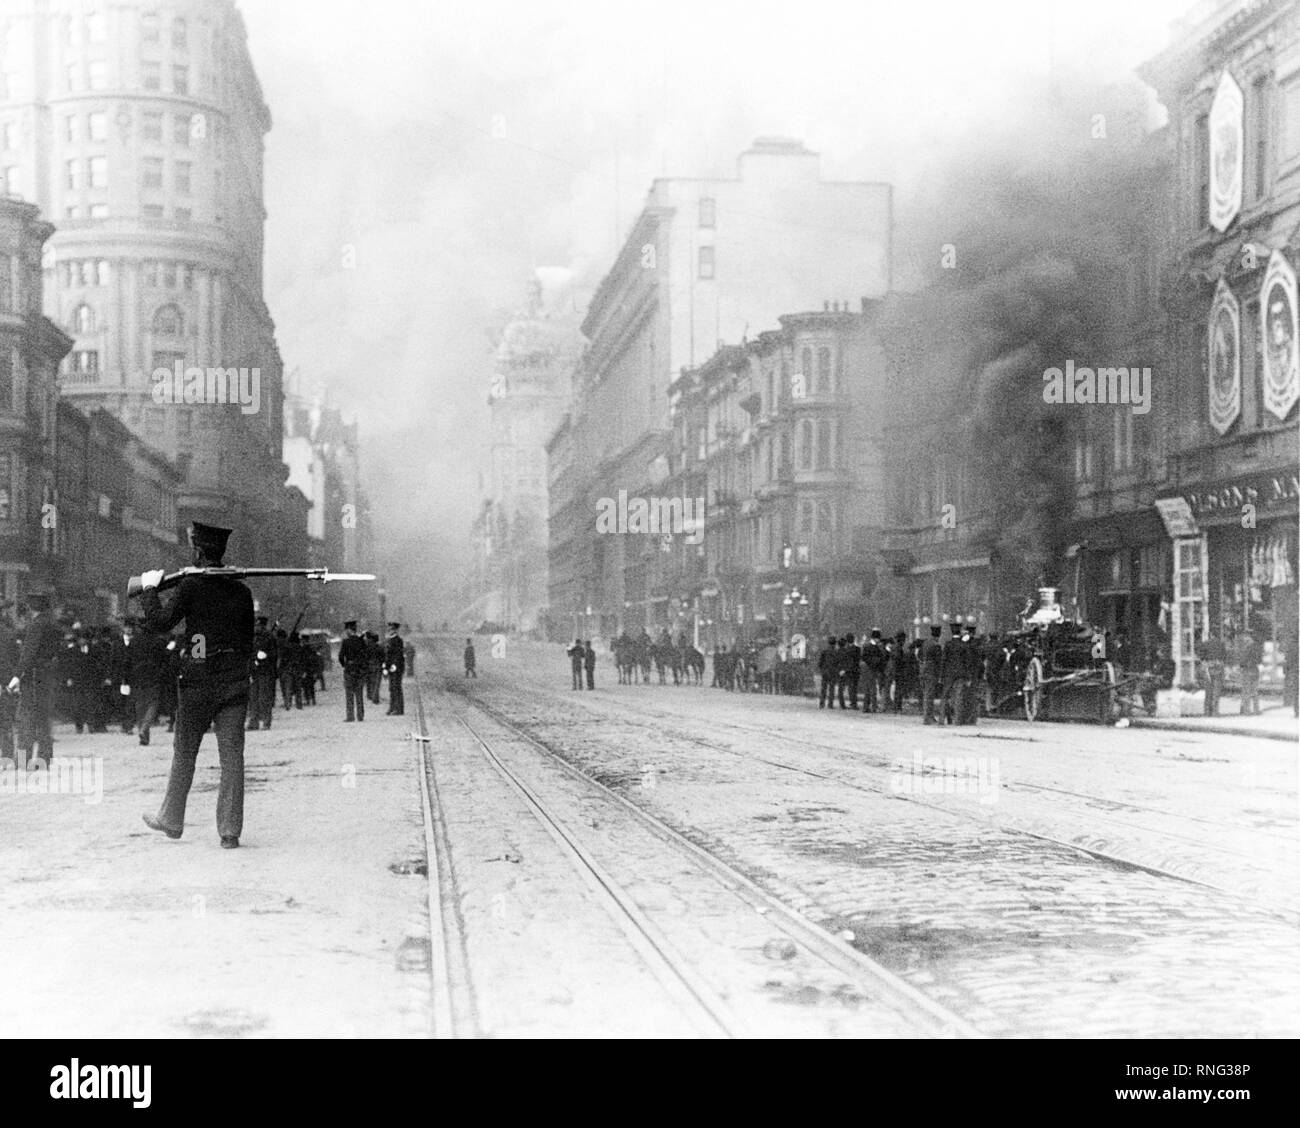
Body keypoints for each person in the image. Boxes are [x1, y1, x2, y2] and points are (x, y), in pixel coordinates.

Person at [138, 521, 253, 849]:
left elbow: (161, 623)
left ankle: (172, 820)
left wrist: (149, 590)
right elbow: (246, 642)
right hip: (233, 683)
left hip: (198, 684)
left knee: (185, 752)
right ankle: (229, 832)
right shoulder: (242, 592)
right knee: (233, 757)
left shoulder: (190, 586)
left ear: (199, 552)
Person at [15, 593, 59, 767]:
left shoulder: (36, 625)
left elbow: (28, 654)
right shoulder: (52, 624)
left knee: (26, 718)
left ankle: (22, 759)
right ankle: (45, 758)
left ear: (31, 607)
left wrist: (17, 675)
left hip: (32, 677)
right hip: (46, 676)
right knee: (43, 718)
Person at [129, 620, 168, 746]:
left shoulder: (134, 641)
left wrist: (127, 677)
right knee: (153, 704)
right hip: (154, 676)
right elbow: (165, 659)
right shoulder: (159, 641)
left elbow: (128, 660)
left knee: (140, 706)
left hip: (137, 676)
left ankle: (144, 736)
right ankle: (145, 728)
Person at [248, 615, 278, 730]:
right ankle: (253, 721)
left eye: (259, 625)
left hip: (265, 671)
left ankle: (266, 721)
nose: (257, 627)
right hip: (254, 671)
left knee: (264, 698)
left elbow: (274, 654)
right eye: (256, 625)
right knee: (253, 698)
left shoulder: (270, 638)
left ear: (263, 626)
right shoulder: (253, 638)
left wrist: (265, 655)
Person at [0, 604, 19, 762]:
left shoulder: (8, 635)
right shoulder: (9, 635)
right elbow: (14, 661)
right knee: (5, 721)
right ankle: (6, 755)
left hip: (4, 684)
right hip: (5, 685)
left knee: (5, 720)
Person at [339, 621, 368, 722]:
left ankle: (350, 716)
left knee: (349, 694)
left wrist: (345, 665)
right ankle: (360, 715)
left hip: (349, 670)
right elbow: (366, 656)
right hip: (359, 670)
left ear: (348, 630)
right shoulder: (361, 641)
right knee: (359, 694)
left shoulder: (346, 642)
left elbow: (341, 657)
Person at [919, 625, 943, 725]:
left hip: (924, 670)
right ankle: (928, 717)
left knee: (926, 694)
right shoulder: (936, 645)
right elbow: (939, 660)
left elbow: (919, 655)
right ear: (939, 635)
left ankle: (927, 716)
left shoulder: (925, 643)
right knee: (930, 695)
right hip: (932, 672)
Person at [1199, 630, 1227, 717]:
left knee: (1208, 690)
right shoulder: (1221, 644)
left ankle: (1207, 712)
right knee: (1216, 690)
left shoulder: (1205, 643)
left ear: (1210, 634)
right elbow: (1225, 656)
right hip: (1219, 666)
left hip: (1209, 667)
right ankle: (1215, 712)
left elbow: (1202, 656)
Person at [1236, 629, 1263, 716]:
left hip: (1247, 670)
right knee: (1255, 691)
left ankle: (1246, 711)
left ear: (1248, 637)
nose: (1244, 638)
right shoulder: (1258, 646)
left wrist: (1240, 665)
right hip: (1255, 670)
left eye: (1245, 636)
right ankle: (1256, 710)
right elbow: (1260, 659)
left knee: (1246, 691)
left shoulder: (1247, 647)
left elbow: (1243, 659)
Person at [861, 629, 885, 713]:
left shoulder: (866, 645)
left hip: (868, 669)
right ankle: (874, 707)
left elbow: (864, 657)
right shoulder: (872, 646)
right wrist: (875, 660)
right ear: (876, 638)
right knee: (873, 689)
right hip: (871, 668)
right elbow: (866, 657)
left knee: (868, 689)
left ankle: (866, 707)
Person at [384, 622, 405, 715]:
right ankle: (392, 707)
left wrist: (394, 665)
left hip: (396, 668)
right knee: (391, 688)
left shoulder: (398, 640)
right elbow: (387, 655)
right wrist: (385, 666)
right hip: (390, 668)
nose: (390, 630)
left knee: (397, 688)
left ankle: (399, 709)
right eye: (389, 629)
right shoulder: (389, 640)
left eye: (392, 629)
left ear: (395, 630)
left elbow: (398, 655)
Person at [818, 636, 839, 709]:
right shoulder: (836, 652)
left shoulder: (824, 651)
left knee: (823, 688)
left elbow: (820, 663)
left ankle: (822, 703)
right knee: (831, 689)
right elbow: (838, 663)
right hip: (833, 672)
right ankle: (830, 704)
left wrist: (822, 670)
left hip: (825, 672)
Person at [365, 631, 384, 705]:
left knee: (369, 682)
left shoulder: (367, 646)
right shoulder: (379, 647)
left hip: (369, 666)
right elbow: (383, 657)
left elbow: (365, 656)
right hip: (378, 666)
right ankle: (375, 698)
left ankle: (370, 695)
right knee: (376, 683)